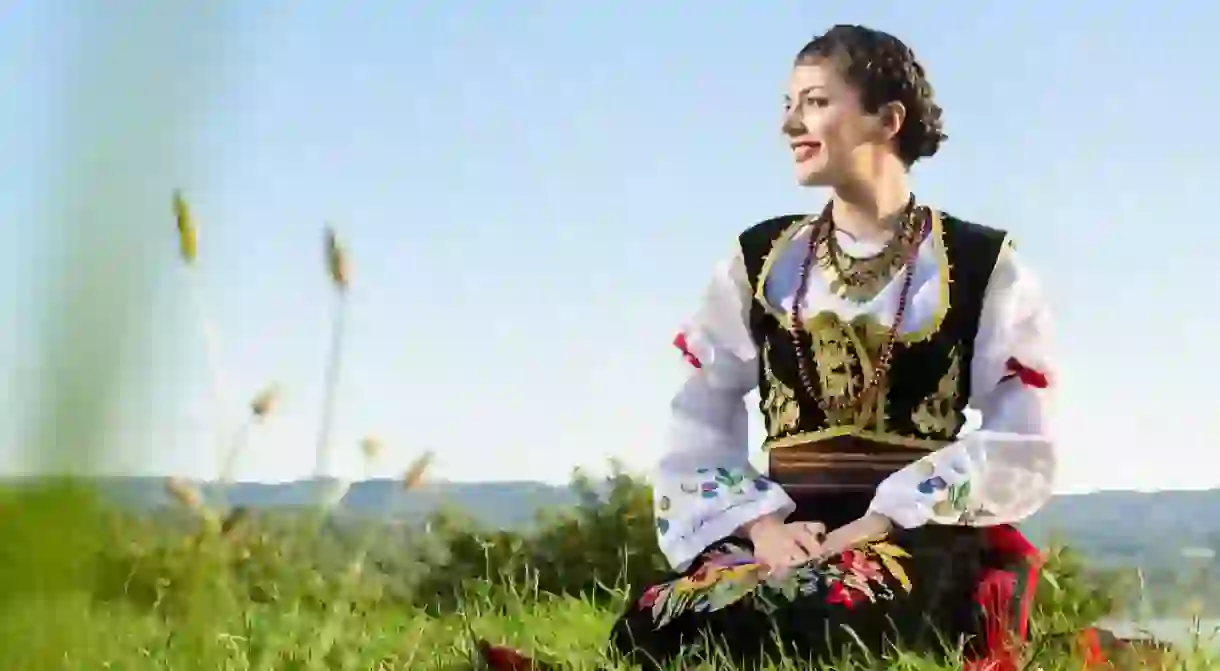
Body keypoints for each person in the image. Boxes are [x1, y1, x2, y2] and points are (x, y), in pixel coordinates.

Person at [480, 23, 1086, 670]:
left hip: (917, 534)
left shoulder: (981, 263)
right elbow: (700, 414)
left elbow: (1023, 436)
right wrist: (762, 527)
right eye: (788, 105)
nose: (790, 124)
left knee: (819, 610)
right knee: (660, 614)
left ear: (887, 119)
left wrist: (882, 519)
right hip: (787, 531)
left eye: (816, 102)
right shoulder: (762, 259)